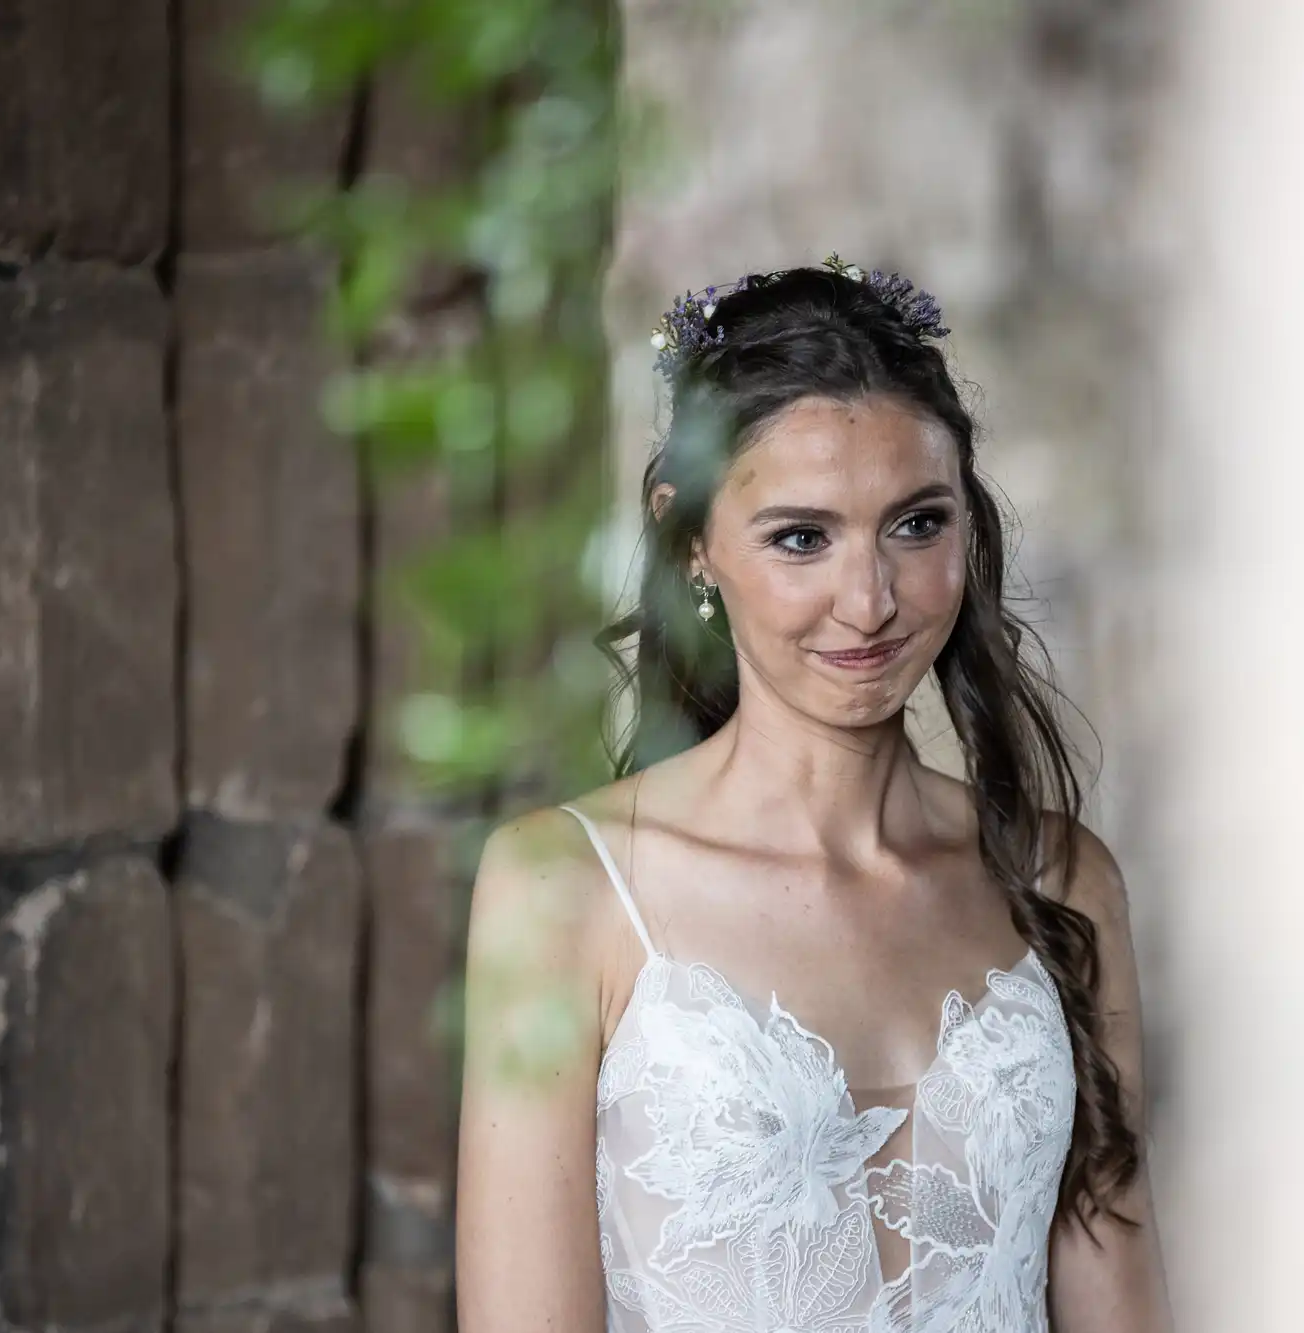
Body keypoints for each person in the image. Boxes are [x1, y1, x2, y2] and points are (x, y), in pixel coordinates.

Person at [455, 256, 1171, 1331]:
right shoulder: (562, 888)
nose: (869, 600)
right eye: (801, 538)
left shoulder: (1062, 881)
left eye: (916, 523)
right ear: (689, 538)